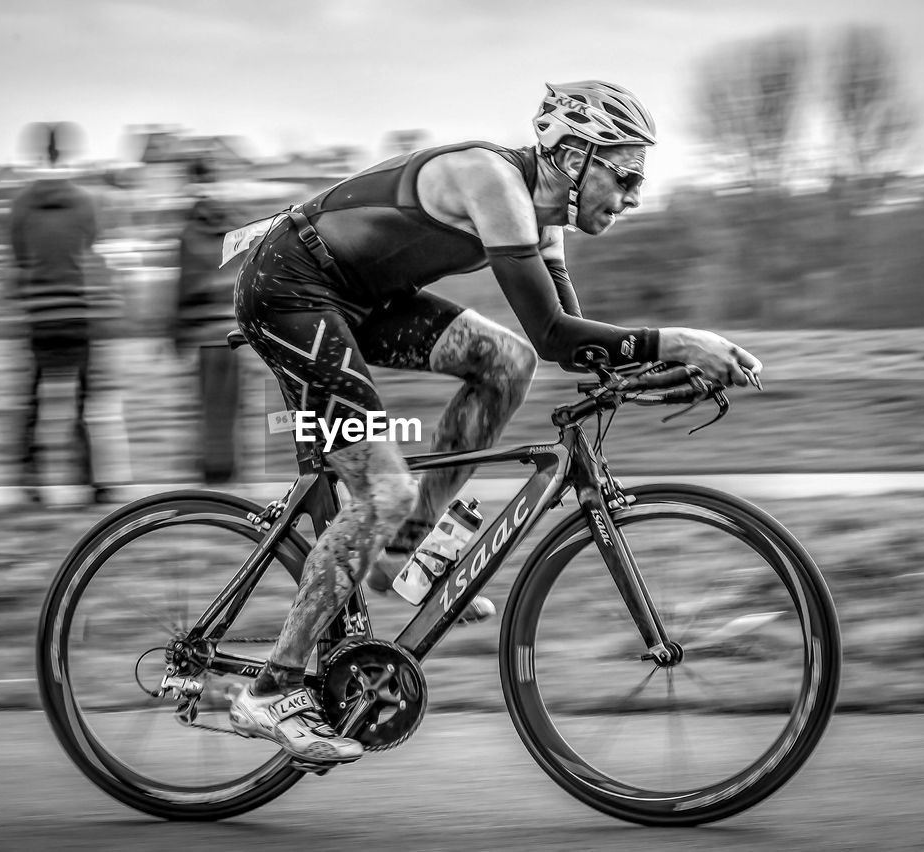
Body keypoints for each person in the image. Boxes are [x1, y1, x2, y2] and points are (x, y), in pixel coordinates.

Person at [227, 81, 762, 764]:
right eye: (624, 176)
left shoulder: (545, 222)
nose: (633, 196)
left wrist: (660, 372)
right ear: (572, 155)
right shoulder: (494, 182)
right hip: (289, 290)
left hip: (355, 296)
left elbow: (571, 346)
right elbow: (554, 330)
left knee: (504, 364)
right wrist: (679, 341)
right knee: (381, 491)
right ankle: (273, 690)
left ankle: (400, 553)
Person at [9, 122, 114, 505]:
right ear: (66, 154)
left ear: (38, 154)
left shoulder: (21, 203)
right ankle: (88, 481)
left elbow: (18, 256)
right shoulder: (84, 201)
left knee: (34, 398)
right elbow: (90, 245)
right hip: (76, 310)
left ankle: (29, 478)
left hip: (39, 313)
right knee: (85, 400)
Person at [172, 158, 247, 483]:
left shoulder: (188, 232)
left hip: (204, 333)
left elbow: (183, 286)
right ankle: (229, 470)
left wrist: (175, 331)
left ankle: (211, 471)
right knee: (231, 407)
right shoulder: (234, 229)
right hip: (233, 331)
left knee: (207, 405)